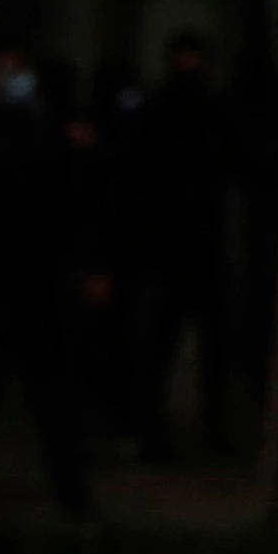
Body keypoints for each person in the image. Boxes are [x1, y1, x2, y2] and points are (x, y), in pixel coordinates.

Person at [0, 40, 99, 526]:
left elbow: (70, 200)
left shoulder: (44, 128)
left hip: (42, 281)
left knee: (55, 394)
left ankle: (70, 494)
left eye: (22, 73)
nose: (17, 83)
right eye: (6, 73)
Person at [113, 30, 233, 459]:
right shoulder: (167, 110)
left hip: (191, 248)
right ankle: (161, 436)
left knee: (197, 350)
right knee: (162, 349)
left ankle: (201, 436)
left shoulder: (198, 109)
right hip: (175, 249)